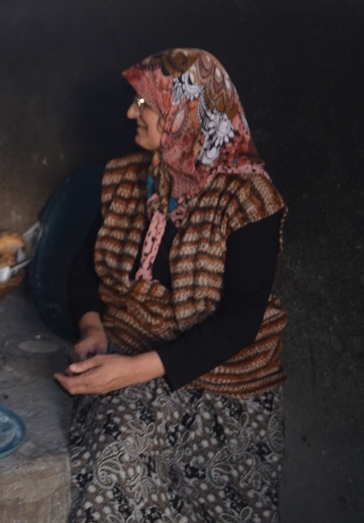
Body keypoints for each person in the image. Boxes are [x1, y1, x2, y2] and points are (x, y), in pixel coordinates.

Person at [55, 49, 287, 523]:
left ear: (188, 113)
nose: (129, 113)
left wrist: (131, 372)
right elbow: (84, 268)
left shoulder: (249, 198)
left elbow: (241, 323)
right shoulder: (128, 177)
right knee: (108, 465)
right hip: (131, 355)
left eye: (144, 104)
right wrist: (93, 329)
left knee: (137, 477)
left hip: (221, 386)